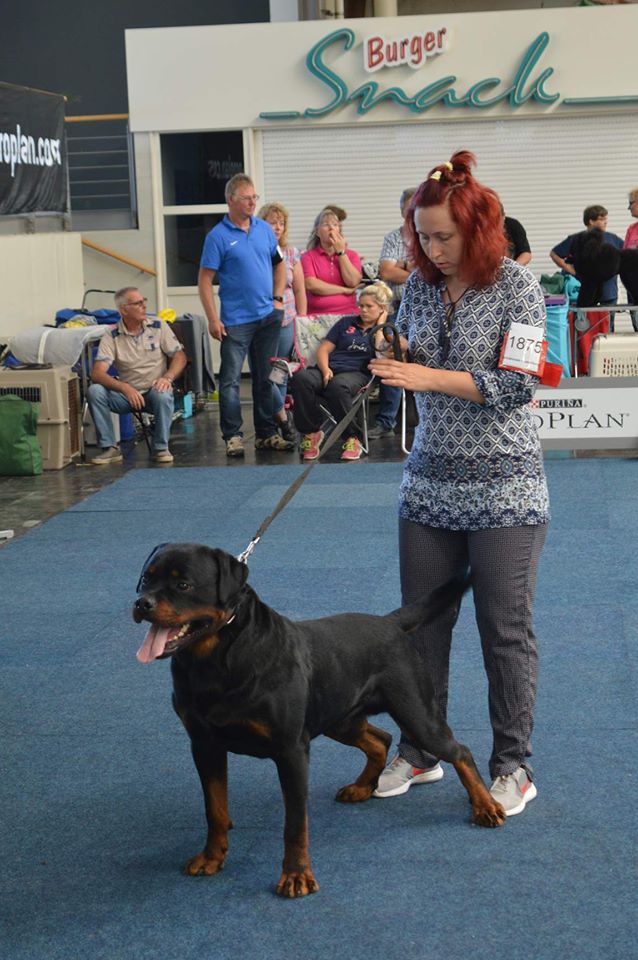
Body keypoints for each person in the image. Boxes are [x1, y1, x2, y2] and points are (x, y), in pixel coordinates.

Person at [369, 151, 549, 817]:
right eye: (422, 236)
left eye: (443, 236)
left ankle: (513, 766)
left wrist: (427, 378)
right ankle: (422, 750)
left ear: (477, 229)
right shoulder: (417, 287)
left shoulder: (518, 287)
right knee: (419, 630)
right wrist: (394, 355)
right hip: (426, 486)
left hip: (508, 489)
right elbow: (412, 348)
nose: (431, 250)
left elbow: (518, 385)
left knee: (504, 632)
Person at [197, 173, 295, 458]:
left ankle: (266, 434)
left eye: (255, 197)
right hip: (236, 321)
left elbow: (279, 265)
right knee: (230, 380)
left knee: (265, 378)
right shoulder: (218, 237)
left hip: (268, 316)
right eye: (247, 198)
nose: (253, 203)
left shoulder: (263, 229)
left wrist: (278, 299)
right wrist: (213, 319)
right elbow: (204, 280)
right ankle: (233, 436)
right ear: (231, 200)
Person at [290, 281, 393, 462]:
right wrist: (325, 369)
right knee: (301, 378)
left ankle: (353, 438)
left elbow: (381, 351)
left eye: (369, 306)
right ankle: (312, 433)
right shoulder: (346, 323)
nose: (363, 310)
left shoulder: (387, 330)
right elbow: (324, 349)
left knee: (338, 386)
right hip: (330, 368)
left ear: (382, 308)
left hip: (357, 373)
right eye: (361, 305)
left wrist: (381, 324)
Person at [87, 287, 186, 465]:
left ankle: (161, 448)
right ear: (124, 309)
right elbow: (97, 373)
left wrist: (168, 377)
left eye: (143, 301)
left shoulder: (158, 326)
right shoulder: (112, 334)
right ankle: (110, 447)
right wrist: (124, 388)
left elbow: (179, 356)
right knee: (95, 391)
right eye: (138, 303)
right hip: (127, 396)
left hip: (154, 391)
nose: (144, 306)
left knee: (163, 393)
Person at [258, 201, 307, 444]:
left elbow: (299, 290)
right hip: (262, 320)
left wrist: (302, 320)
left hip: (287, 319)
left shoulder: (291, 253)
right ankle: (282, 418)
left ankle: (279, 422)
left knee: (281, 371)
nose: (278, 227)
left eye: (281, 223)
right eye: (272, 222)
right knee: (265, 373)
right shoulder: (257, 251)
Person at [372, 187, 417, 439]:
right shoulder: (392, 237)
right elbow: (386, 272)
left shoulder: (428, 236)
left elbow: (429, 272)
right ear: (402, 211)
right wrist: (412, 268)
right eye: (409, 208)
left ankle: (426, 419)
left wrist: (402, 266)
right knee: (390, 359)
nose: (412, 213)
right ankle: (386, 421)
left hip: (421, 310)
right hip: (395, 308)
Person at [550, 205, 623, 305]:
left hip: (608, 293)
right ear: (591, 221)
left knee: (608, 315)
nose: (605, 222)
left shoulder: (613, 239)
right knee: (583, 314)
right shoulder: (577, 238)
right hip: (583, 292)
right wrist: (570, 269)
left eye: (606, 219)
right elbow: (554, 253)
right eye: (601, 219)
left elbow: (625, 256)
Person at [301, 208, 363, 316]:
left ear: (339, 230)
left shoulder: (352, 255)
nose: (331, 228)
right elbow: (312, 285)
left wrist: (341, 253)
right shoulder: (308, 256)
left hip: (348, 313)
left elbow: (353, 282)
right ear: (317, 232)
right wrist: (344, 290)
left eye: (335, 225)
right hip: (318, 315)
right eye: (325, 224)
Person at [623, 187, 638, 329]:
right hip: (633, 286)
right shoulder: (631, 229)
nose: (629, 208)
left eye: (631, 203)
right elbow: (624, 256)